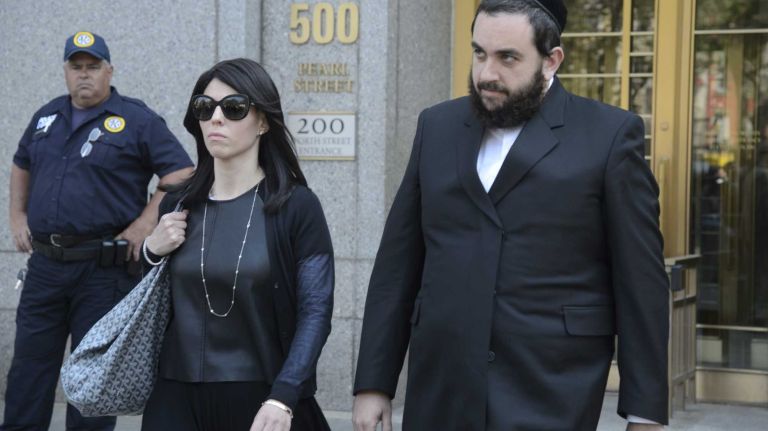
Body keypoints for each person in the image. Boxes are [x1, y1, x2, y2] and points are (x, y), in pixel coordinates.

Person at [352, 1, 669, 430]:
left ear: (551, 60)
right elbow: (398, 265)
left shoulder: (610, 136)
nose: (486, 74)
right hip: (440, 394)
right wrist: (374, 383)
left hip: (551, 393)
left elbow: (641, 283)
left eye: (508, 58)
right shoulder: (436, 127)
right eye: (479, 53)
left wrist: (644, 412)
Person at [3, 31, 193, 431]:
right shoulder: (46, 117)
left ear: (110, 71)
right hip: (45, 267)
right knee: (28, 369)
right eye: (76, 67)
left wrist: (144, 225)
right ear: (66, 72)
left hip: (103, 271)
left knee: (94, 376)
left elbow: (181, 172)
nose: (84, 75)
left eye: (93, 67)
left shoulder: (137, 119)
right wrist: (17, 217)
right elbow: (21, 164)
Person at [139, 58, 334, 431]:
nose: (216, 118)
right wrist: (151, 250)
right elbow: (150, 302)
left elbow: (316, 311)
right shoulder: (177, 204)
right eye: (204, 107)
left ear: (262, 121)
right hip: (174, 395)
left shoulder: (295, 207)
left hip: (260, 398)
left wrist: (284, 395)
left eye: (233, 108)